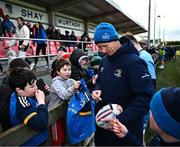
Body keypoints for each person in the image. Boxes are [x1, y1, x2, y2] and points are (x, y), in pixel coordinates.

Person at [91, 22, 154, 146]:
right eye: (99, 47)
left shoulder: (134, 62)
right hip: (103, 129)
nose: (102, 50)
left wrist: (120, 120)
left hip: (125, 129)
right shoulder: (104, 61)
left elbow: (145, 97)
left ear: (115, 40)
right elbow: (99, 82)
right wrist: (97, 89)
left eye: (105, 45)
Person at [111, 87, 180, 146]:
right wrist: (127, 136)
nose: (149, 112)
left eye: (153, 111)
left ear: (165, 124)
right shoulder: (160, 140)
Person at [7, 68, 48, 145]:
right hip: (32, 143)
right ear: (19, 90)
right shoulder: (21, 104)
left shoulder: (26, 94)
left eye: (35, 84)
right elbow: (41, 124)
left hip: (38, 139)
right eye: (32, 86)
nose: (36, 88)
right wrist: (41, 101)